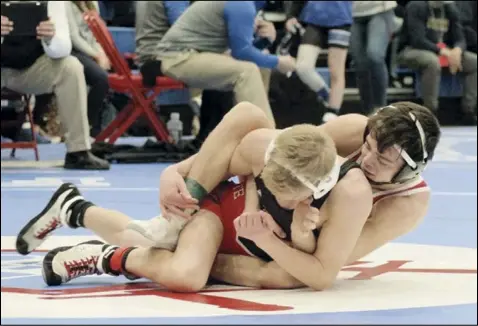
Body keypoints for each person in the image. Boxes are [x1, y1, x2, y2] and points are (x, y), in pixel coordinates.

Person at [17, 101, 441, 291]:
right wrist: (177, 171)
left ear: (409, 170)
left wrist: (285, 236)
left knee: (281, 275)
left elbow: (330, 260)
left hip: (268, 236)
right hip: (244, 210)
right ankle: (123, 250)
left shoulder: (402, 205)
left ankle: (74, 208)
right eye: (365, 146)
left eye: (381, 161)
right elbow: (284, 157)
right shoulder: (352, 134)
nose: (365, 160)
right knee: (186, 263)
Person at [1, 1, 109, 169]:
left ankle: (78, 151)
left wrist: (51, 38)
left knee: (71, 67)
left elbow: (63, 48)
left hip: (31, 67)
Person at [397, 1, 477, 124]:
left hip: (445, 51)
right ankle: (430, 112)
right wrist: (442, 51)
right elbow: (417, 39)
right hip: (411, 50)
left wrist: (457, 50)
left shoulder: (450, 8)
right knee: (432, 62)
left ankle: (469, 111)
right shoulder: (416, 6)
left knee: (474, 62)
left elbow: (460, 38)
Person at [285, 1, 353, 122]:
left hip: (341, 17)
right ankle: (327, 96)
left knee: (336, 70)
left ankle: (333, 110)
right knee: (303, 67)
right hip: (314, 15)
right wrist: (291, 15)